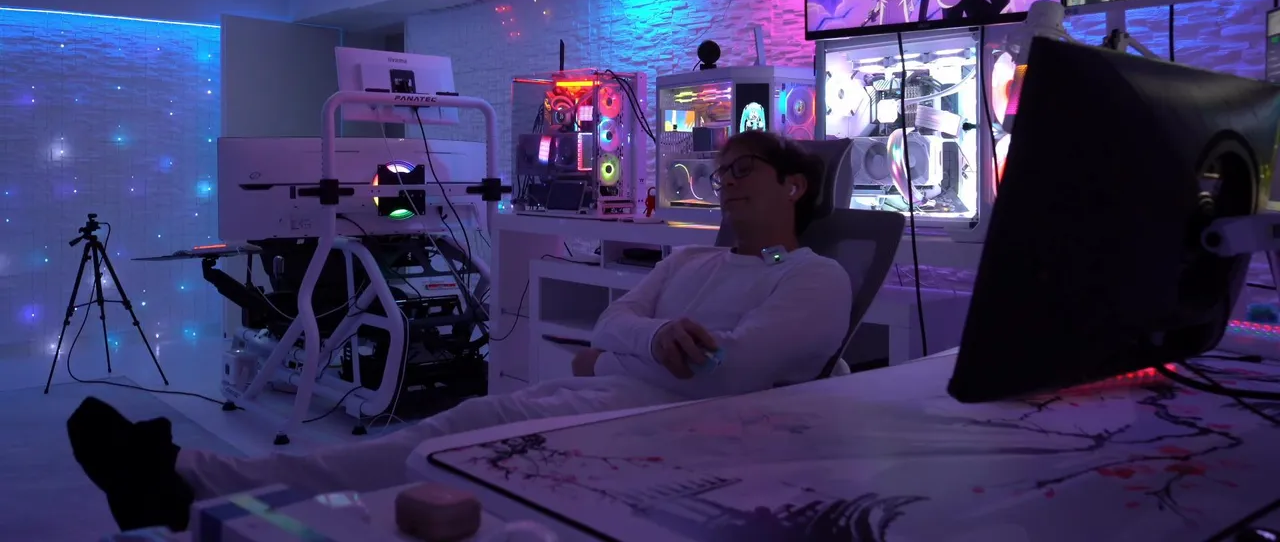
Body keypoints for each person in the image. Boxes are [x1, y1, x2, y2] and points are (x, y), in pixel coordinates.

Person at [67, 130, 855, 532]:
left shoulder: (813, 276)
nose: (724, 184)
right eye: (719, 173)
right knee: (457, 426)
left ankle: (196, 478)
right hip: (619, 392)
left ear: (793, 186)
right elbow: (615, 320)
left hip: (668, 419)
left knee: (451, 436)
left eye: (742, 171)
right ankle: (197, 482)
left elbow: (731, 372)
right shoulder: (691, 261)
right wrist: (647, 341)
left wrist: (628, 346)